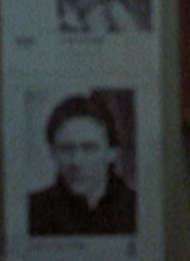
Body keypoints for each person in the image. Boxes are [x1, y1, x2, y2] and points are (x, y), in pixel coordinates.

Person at [27, 93, 136, 236]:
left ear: (112, 153)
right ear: (53, 153)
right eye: (66, 149)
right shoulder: (32, 211)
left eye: (89, 148)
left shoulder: (137, 208)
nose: (76, 161)